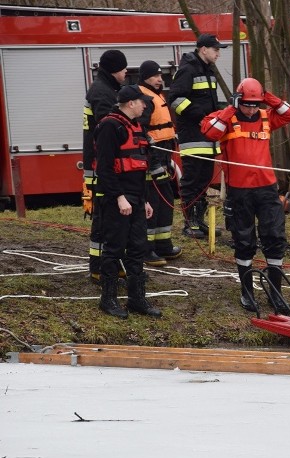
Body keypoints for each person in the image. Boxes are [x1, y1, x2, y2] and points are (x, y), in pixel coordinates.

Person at [200, 78, 290, 313]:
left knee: (274, 238)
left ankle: (275, 294)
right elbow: (210, 132)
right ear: (238, 100)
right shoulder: (227, 118)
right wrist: (232, 108)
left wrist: (268, 97)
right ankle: (247, 293)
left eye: (256, 104)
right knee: (244, 242)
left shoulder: (266, 117)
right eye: (247, 104)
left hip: (267, 189)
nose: (252, 109)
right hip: (239, 191)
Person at [94, 85, 161, 319]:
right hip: (117, 199)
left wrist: (145, 200)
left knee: (137, 248)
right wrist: (120, 197)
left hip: (137, 198)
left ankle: (136, 299)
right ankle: (108, 299)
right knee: (113, 249)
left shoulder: (138, 127)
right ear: (130, 103)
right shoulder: (110, 126)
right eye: (141, 101)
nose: (145, 105)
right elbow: (104, 168)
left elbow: (139, 168)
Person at [168, 33, 227, 239]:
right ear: (204, 49)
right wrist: (201, 117)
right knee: (192, 181)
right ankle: (189, 223)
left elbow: (208, 104)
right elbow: (174, 99)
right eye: (215, 49)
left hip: (207, 137)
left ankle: (199, 221)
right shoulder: (188, 69)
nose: (218, 53)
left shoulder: (207, 70)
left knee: (203, 181)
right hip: (192, 136)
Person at [83, 49, 128, 282]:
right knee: (101, 218)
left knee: (109, 219)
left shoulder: (106, 88)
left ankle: (111, 263)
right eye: (123, 69)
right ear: (113, 70)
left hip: (100, 164)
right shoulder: (102, 92)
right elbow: (107, 129)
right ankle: (99, 267)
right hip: (99, 166)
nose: (126, 73)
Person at [137, 60, 182, 266]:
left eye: (160, 76)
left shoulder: (156, 95)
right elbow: (141, 131)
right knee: (152, 204)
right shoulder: (143, 98)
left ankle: (163, 245)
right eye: (156, 76)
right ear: (145, 76)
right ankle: (147, 249)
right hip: (151, 160)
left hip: (164, 157)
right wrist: (154, 162)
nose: (159, 79)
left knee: (166, 201)